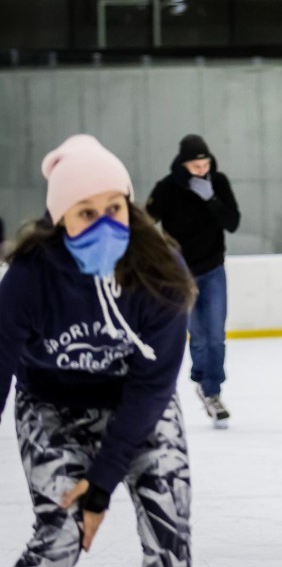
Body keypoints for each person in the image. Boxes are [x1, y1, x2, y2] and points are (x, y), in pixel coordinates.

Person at [0, 134, 195, 565]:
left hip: (137, 404)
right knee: (61, 537)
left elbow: (152, 386)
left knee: (169, 534)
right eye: (86, 212)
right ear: (60, 218)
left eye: (114, 208)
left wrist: (101, 485)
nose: (104, 223)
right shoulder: (29, 277)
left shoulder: (160, 273)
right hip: (50, 403)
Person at [147, 134, 240, 429]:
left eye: (205, 163)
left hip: (213, 269)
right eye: (196, 165)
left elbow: (233, 222)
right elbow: (146, 222)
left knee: (215, 335)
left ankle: (212, 390)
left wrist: (211, 198)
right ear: (184, 164)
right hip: (181, 275)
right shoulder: (167, 188)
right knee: (198, 336)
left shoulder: (219, 182)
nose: (202, 169)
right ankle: (204, 382)